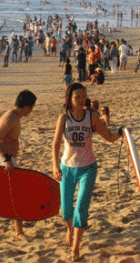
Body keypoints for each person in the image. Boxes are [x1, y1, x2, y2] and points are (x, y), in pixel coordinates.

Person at [52, 83, 123, 262]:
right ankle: (69, 230)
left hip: (88, 168)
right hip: (67, 168)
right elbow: (56, 144)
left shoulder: (91, 117)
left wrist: (121, 133)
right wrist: (55, 166)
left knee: (81, 209)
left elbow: (109, 137)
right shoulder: (64, 118)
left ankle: (76, 247)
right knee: (67, 211)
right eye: (77, 97)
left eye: (84, 96)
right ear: (69, 99)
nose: (81, 100)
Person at [0, 90, 37, 240]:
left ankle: (14, 232)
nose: (32, 111)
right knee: (6, 197)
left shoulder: (16, 117)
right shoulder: (10, 118)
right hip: (2, 160)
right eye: (32, 108)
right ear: (26, 107)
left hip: (8, 160)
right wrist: (6, 159)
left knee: (14, 196)